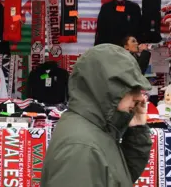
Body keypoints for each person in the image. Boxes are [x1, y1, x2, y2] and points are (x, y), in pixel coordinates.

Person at [41, 44, 153, 187]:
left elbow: (117, 177)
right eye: (131, 89)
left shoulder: (97, 127)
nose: (139, 97)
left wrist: (136, 130)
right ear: (106, 89)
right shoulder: (81, 148)